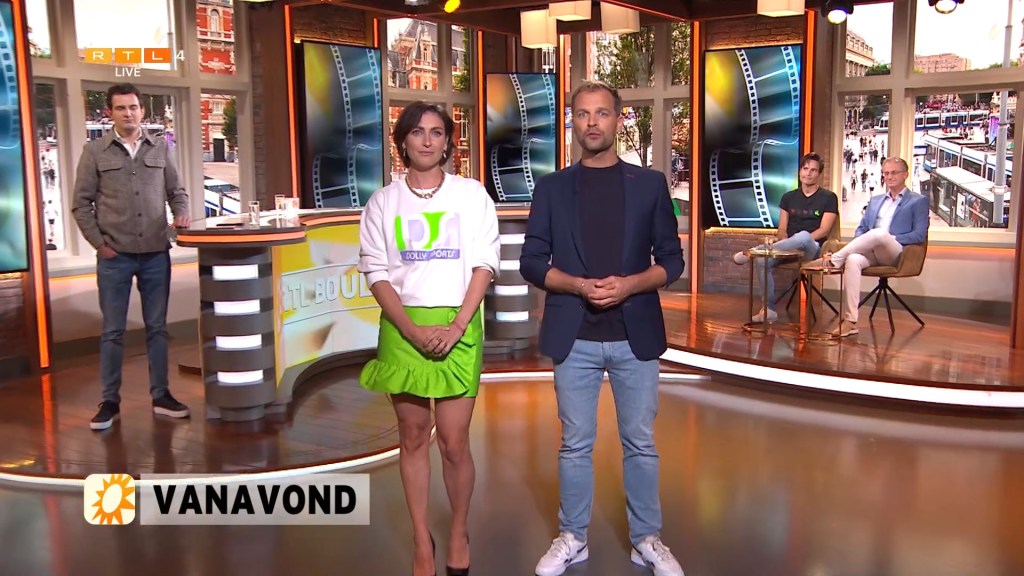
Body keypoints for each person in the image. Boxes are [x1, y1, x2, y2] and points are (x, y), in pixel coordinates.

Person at [520, 80, 686, 576]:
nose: (592, 122)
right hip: (575, 337)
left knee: (641, 443)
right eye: (582, 114)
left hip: (635, 336)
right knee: (575, 444)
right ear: (572, 122)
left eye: (602, 113)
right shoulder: (552, 188)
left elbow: (672, 261)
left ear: (618, 118)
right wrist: (576, 285)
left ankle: (646, 540)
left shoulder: (650, 184)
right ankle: (573, 537)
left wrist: (631, 284)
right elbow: (532, 262)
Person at [357, 101, 500, 576]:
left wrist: (457, 326)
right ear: (402, 141)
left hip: (460, 323)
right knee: (413, 436)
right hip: (403, 328)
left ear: (448, 142)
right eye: (417, 132)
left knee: (454, 442)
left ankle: (458, 530)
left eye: (436, 132)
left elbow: (485, 264)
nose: (427, 140)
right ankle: (422, 539)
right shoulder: (383, 203)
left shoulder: (472, 195)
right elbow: (377, 273)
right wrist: (412, 330)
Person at [72, 83, 191, 431]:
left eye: (134, 107)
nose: (129, 113)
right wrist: (99, 244)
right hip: (115, 257)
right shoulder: (94, 151)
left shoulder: (160, 147)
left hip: (156, 253)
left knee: (157, 328)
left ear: (142, 110)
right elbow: (81, 204)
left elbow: (177, 192)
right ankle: (109, 402)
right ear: (109, 112)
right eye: (121, 108)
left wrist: (180, 214)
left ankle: (161, 396)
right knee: (113, 331)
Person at [808, 157, 929, 337]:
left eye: (894, 173)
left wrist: (889, 238)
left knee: (879, 233)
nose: (889, 177)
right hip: (872, 250)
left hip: (896, 252)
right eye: (886, 173)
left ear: (905, 174)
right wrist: (863, 243)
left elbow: (919, 234)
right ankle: (850, 321)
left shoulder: (918, 201)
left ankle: (834, 260)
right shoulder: (876, 200)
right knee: (853, 259)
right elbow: (862, 228)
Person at [732, 153, 838, 322]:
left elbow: (824, 230)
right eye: (805, 169)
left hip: (813, 249)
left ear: (819, 174)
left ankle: (753, 251)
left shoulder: (829, 197)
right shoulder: (788, 197)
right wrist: (786, 242)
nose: (808, 173)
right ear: (800, 171)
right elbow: (782, 229)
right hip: (788, 249)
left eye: (813, 170)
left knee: (803, 236)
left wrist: (801, 240)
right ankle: (769, 309)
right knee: (762, 261)